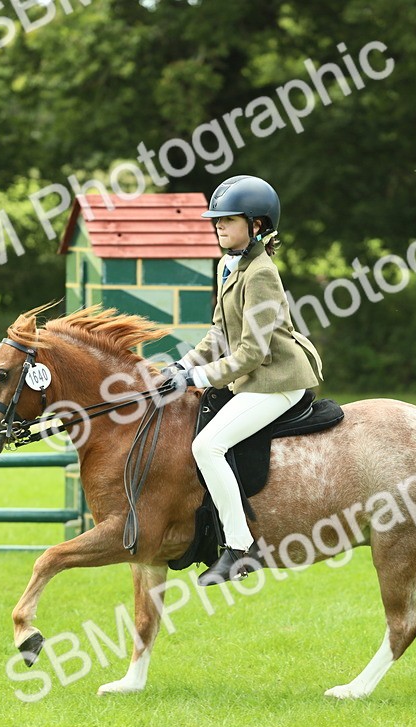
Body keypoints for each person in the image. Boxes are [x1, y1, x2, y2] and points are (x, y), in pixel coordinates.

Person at [161, 175, 325, 586]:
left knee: (208, 445)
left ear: (256, 225)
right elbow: (218, 334)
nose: (218, 226)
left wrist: (197, 376)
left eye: (228, 220)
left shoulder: (262, 273)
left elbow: (251, 352)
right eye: (217, 220)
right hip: (250, 379)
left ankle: (238, 548)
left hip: (276, 381)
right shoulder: (228, 265)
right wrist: (181, 366)